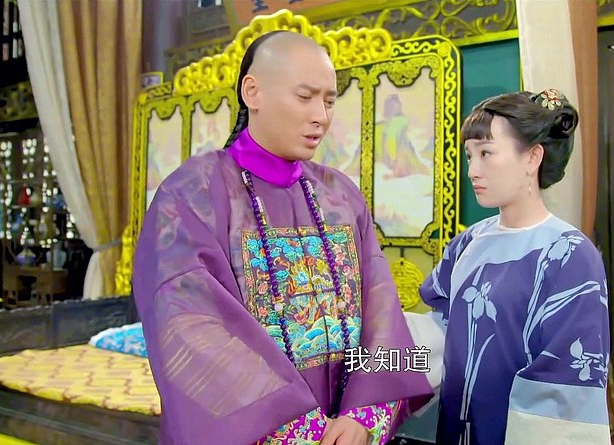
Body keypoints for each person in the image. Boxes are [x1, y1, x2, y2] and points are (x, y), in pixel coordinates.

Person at [132, 30, 433, 445]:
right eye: (305, 97)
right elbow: (189, 324)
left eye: (329, 101)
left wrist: (363, 416)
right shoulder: (192, 194)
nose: (321, 116)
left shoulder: (341, 196)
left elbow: (383, 312)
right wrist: (306, 432)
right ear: (252, 92)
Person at [419, 90, 611, 444]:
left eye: (486, 153)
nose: (473, 171)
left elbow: (567, 379)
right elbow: (439, 335)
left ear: (532, 158)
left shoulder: (570, 254)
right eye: (469, 156)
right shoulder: (466, 244)